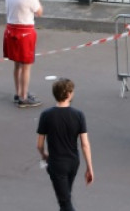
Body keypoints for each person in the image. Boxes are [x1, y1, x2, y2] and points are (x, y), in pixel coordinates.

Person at [37, 78, 94, 211]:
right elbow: (85, 144)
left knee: (65, 202)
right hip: (73, 161)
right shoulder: (78, 115)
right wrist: (89, 167)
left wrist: (44, 155)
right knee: (65, 196)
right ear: (68, 94)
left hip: (56, 163)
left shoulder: (46, 115)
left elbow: (39, 144)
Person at [4, 0, 43, 107]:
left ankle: (18, 92)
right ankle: (24, 97)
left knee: (17, 64)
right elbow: (39, 12)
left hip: (11, 30)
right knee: (26, 66)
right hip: (25, 32)